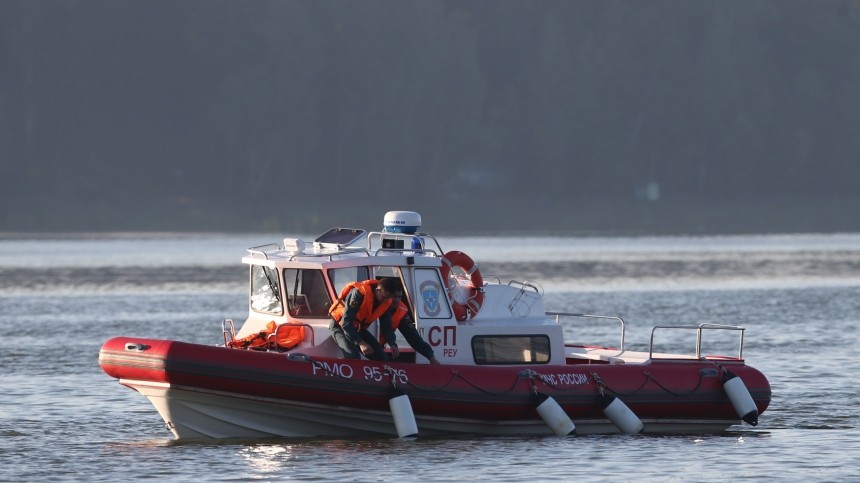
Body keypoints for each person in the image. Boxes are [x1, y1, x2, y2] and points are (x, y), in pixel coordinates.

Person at [329, 278, 400, 361]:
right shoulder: (358, 294)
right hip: (340, 326)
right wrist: (360, 342)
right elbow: (346, 322)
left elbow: (386, 325)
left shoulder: (386, 302)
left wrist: (392, 344)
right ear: (377, 290)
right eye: (384, 297)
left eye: (388, 298)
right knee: (353, 357)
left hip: (358, 329)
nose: (385, 300)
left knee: (382, 358)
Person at [385, 292, 441, 364]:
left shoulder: (401, 311)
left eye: (399, 297)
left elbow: (412, 336)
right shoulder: (379, 305)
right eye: (394, 296)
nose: (397, 300)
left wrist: (430, 356)